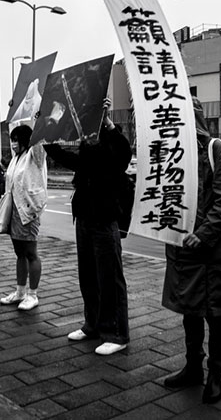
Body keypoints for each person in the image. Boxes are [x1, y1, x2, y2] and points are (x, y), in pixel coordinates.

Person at [161, 98, 221, 404]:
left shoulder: (215, 149)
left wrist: (203, 234)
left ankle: (215, 374)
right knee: (189, 311)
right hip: (181, 249)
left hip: (210, 251)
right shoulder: (170, 153)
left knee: (215, 314)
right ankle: (193, 366)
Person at [43, 98, 132, 355]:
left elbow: (123, 156)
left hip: (104, 218)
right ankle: (93, 324)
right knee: (89, 276)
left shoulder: (112, 140)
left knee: (110, 277)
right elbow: (67, 158)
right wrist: (46, 132)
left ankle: (117, 333)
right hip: (84, 216)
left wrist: (108, 123)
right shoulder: (87, 144)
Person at [0, 124, 48, 311]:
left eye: (17, 140)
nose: (13, 144)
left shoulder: (35, 155)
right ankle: (20, 292)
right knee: (20, 253)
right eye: (12, 140)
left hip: (28, 211)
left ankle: (32, 294)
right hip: (15, 211)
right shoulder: (16, 158)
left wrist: (38, 121)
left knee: (31, 252)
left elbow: (39, 144)